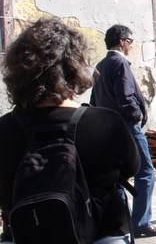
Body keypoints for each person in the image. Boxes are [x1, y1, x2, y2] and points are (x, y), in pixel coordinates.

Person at [0, 18, 140, 243]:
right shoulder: (104, 122)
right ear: (74, 66)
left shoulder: (5, 128)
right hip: (102, 233)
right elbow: (132, 166)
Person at [91, 24, 156, 238]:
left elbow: (94, 100)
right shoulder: (119, 62)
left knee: (118, 178)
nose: (131, 46)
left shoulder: (101, 65)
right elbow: (125, 96)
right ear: (122, 41)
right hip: (126, 127)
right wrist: (136, 116)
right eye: (130, 42)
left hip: (106, 129)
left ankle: (123, 222)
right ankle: (141, 223)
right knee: (146, 173)